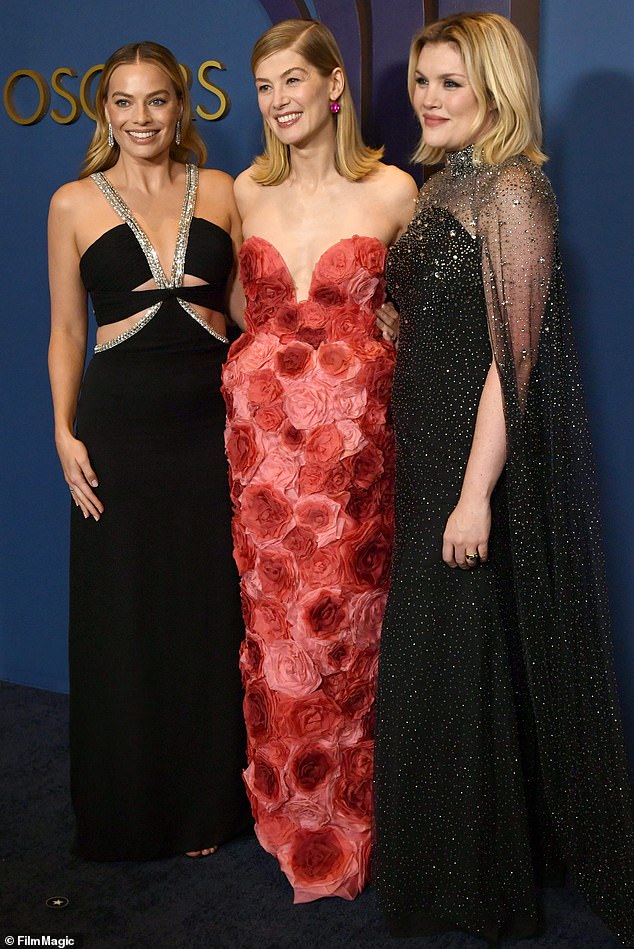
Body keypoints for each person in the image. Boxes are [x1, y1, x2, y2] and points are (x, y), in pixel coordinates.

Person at [373, 12, 634, 946]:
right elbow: (438, 313)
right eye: (422, 80)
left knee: (462, 649)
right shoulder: (441, 183)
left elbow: (510, 360)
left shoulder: (516, 191)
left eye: (449, 82)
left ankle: (475, 874)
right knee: (434, 658)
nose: (428, 98)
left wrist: (476, 491)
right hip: (424, 448)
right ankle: (444, 855)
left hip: (469, 460)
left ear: (494, 89)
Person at [221, 18, 417, 903]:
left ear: (333, 86)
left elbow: (414, 324)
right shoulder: (241, 194)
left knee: (347, 630)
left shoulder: (393, 192)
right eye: (263, 88)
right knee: (275, 634)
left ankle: (353, 811)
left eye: (292, 82)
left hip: (354, 461)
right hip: (263, 462)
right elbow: (239, 311)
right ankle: (291, 812)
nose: (277, 102)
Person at [47, 40, 251, 860]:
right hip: (119, 428)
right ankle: (132, 809)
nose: (141, 118)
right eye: (124, 103)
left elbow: (249, 310)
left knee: (206, 612)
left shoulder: (227, 192)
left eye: (156, 100)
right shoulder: (71, 203)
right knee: (124, 616)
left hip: (211, 425)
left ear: (181, 106)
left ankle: (205, 806)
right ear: (105, 113)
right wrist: (63, 433)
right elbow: (67, 330)